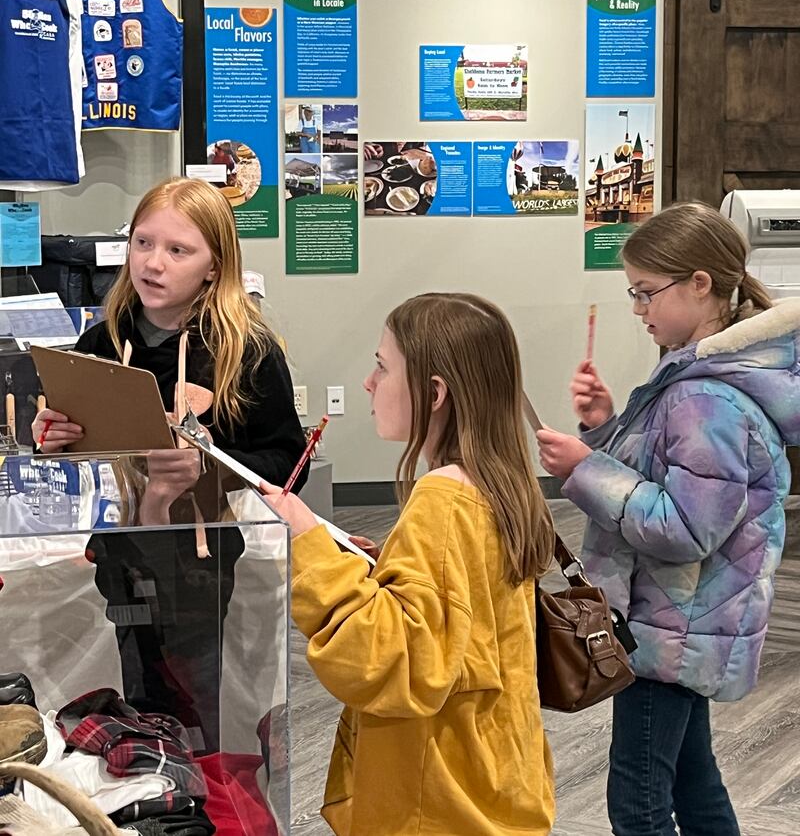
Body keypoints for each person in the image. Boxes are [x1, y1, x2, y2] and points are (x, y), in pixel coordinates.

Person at [537, 202, 800, 836]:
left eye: (645, 292)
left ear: (701, 284)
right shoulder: (700, 374)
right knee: (692, 779)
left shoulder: (705, 394)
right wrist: (603, 430)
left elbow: (686, 529)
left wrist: (581, 469)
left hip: (669, 627)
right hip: (686, 622)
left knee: (639, 800)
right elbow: (663, 478)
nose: (637, 308)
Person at [261, 292, 556, 836]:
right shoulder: (499, 484)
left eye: (382, 366)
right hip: (494, 771)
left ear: (435, 392)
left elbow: (394, 663)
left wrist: (307, 540)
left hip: (438, 796)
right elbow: (460, 622)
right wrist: (379, 568)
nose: (370, 383)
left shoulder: (441, 499)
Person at [31, 176, 309, 749]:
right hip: (119, 551)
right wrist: (55, 439)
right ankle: (147, 791)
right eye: (142, 243)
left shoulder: (246, 350)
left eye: (177, 250)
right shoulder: (101, 341)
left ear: (214, 265)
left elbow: (288, 462)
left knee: (197, 696)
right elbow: (87, 453)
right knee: (132, 688)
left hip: (201, 564)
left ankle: (200, 792)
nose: (152, 263)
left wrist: (210, 466)